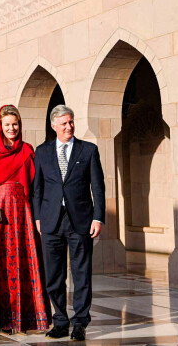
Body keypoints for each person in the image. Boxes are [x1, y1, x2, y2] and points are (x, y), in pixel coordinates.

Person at [0, 105, 48, 334]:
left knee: (25, 261)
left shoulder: (26, 150)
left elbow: (35, 186)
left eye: (15, 124)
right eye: (7, 125)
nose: (11, 128)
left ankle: (25, 318)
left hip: (22, 213)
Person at [32, 105, 105, 341]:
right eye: (63, 123)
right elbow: (38, 189)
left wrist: (98, 217)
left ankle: (80, 323)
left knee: (81, 273)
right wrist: (38, 217)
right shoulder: (42, 152)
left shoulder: (88, 150)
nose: (69, 126)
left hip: (81, 221)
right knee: (54, 275)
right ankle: (60, 321)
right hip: (51, 221)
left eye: (71, 122)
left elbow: (98, 187)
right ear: (53, 126)